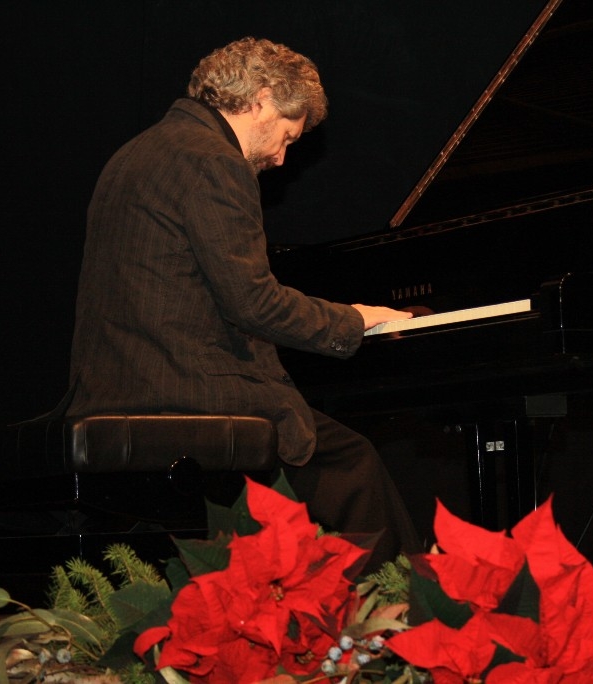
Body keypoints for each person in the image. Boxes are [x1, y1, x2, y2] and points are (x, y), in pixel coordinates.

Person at [67, 36, 421, 569]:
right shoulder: (215, 162)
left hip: (113, 391)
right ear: (258, 98)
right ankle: (390, 632)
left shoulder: (135, 153)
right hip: (185, 395)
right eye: (285, 135)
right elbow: (253, 302)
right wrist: (354, 319)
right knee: (353, 464)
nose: (281, 158)